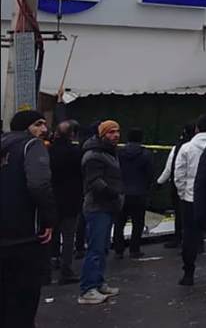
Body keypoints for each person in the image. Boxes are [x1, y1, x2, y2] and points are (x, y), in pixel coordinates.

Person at [0, 110, 56, 326]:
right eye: (38, 124)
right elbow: (39, 184)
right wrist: (49, 219)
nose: (44, 129)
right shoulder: (32, 146)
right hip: (25, 235)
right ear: (26, 127)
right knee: (24, 301)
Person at [174, 115, 206, 286]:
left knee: (190, 236)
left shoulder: (187, 147)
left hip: (191, 197)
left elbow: (179, 173)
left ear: (196, 129)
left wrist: (183, 192)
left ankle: (188, 273)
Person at [80, 120, 123, 305]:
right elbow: (95, 181)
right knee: (95, 249)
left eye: (117, 131)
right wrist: (113, 194)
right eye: (111, 132)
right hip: (98, 207)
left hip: (107, 207)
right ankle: (87, 289)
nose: (116, 135)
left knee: (103, 247)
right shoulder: (94, 155)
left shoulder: (109, 153)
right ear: (102, 134)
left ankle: (98, 282)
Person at [49, 120, 83, 284]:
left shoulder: (49, 150)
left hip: (52, 198)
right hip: (71, 199)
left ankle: (50, 263)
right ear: (72, 134)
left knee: (51, 234)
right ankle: (66, 270)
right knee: (69, 237)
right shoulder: (75, 152)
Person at [113, 128, 153, 258]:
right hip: (139, 192)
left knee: (119, 223)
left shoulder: (119, 153)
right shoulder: (146, 154)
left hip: (122, 192)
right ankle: (134, 249)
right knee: (138, 223)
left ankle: (119, 250)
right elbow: (149, 174)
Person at [157, 123, 196, 249]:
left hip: (179, 187)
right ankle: (196, 242)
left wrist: (159, 182)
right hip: (196, 187)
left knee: (180, 215)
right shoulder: (200, 146)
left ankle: (179, 239)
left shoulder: (179, 148)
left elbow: (170, 168)